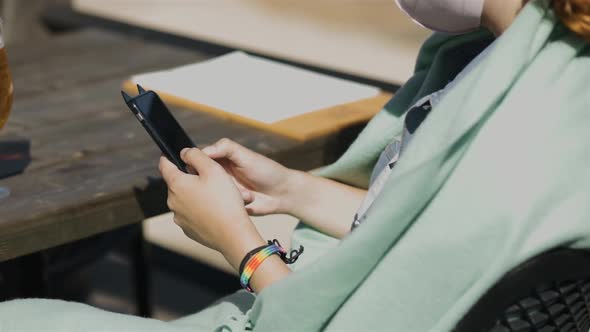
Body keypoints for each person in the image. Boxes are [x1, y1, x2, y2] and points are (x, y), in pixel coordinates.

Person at [0, 0, 588, 331]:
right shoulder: (549, 75)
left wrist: (242, 247)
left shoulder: (519, 134)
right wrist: (293, 191)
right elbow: (439, 237)